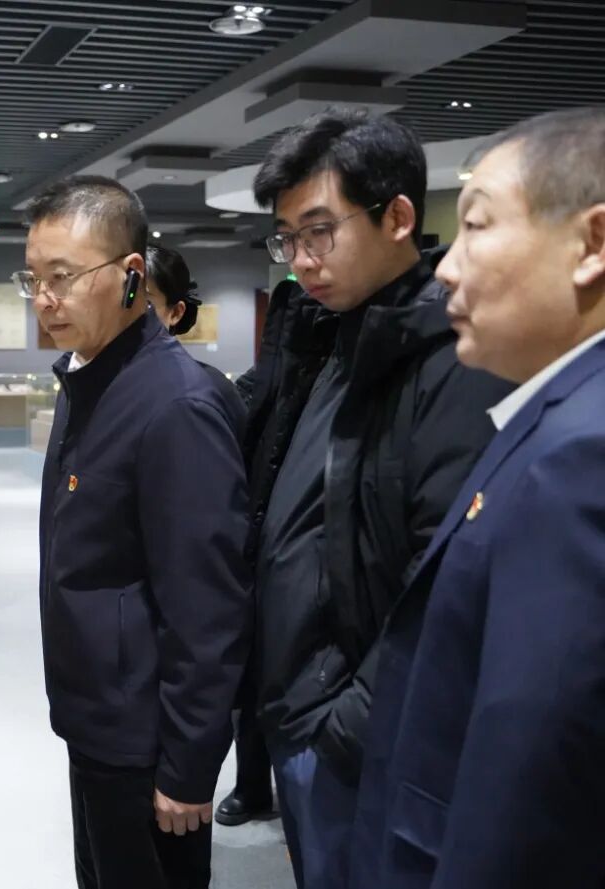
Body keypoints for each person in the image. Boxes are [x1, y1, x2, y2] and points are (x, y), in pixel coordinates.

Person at [238, 107, 512, 889]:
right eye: (287, 239)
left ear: (397, 217)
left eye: (320, 232)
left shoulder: (453, 359)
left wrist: (345, 728)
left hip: (356, 737)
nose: (301, 260)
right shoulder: (334, 337)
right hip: (300, 713)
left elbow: (443, 587)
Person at [350, 107, 605, 889]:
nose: (447, 268)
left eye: (477, 226)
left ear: (593, 244)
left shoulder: (583, 453)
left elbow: (531, 773)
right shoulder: (558, 414)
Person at [20, 176, 251, 889]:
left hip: (144, 737)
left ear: (130, 275)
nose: (44, 299)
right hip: (95, 717)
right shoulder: (89, 379)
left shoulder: (175, 405)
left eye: (63, 277)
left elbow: (208, 606)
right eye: (33, 279)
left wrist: (188, 763)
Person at [146, 243, 275, 827]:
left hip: (173, 664)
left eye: (144, 301)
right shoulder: (119, 386)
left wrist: (189, 761)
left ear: (175, 311)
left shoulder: (189, 398)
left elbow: (206, 584)